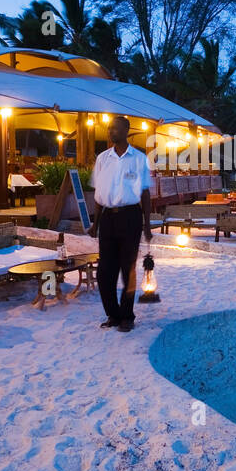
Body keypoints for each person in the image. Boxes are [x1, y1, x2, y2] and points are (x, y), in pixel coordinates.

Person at [89, 115, 153, 332]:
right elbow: (98, 195)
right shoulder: (102, 159)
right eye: (109, 128)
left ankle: (127, 316)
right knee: (104, 272)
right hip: (107, 218)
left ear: (127, 130)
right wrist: (94, 224)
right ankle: (113, 315)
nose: (110, 132)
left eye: (115, 128)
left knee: (128, 270)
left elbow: (145, 193)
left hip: (130, 217)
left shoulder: (139, 158)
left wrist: (147, 225)